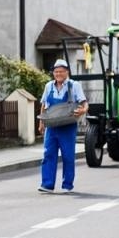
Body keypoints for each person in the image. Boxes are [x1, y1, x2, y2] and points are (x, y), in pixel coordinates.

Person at [38, 58, 87, 193]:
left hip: (67, 127)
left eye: (61, 71)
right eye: (56, 71)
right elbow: (44, 105)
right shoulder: (49, 86)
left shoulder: (73, 85)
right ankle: (47, 184)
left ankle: (67, 185)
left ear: (67, 72)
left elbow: (84, 102)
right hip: (52, 127)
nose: (58, 74)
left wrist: (83, 110)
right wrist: (41, 123)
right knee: (48, 154)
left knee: (68, 156)